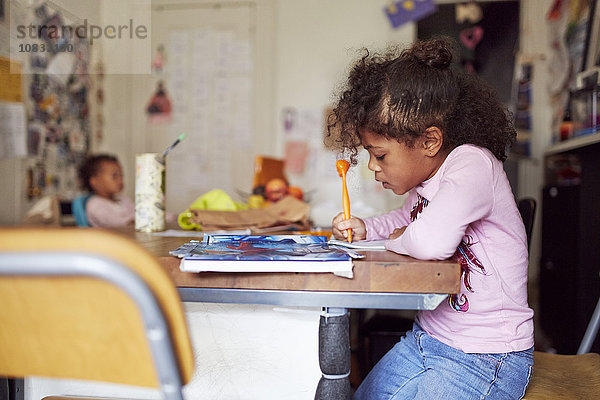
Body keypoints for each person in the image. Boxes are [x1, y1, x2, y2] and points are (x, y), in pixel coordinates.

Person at [328, 37, 534, 399]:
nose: (373, 167)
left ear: (429, 141)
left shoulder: (471, 164)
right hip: (428, 340)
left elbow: (427, 241)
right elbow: (405, 219)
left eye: (380, 155)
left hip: (486, 356)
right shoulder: (428, 181)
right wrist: (365, 229)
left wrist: (397, 236)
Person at [78, 154, 135, 228]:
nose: (120, 180)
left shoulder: (125, 199)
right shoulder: (95, 205)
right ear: (95, 181)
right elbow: (117, 224)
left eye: (121, 175)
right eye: (114, 176)